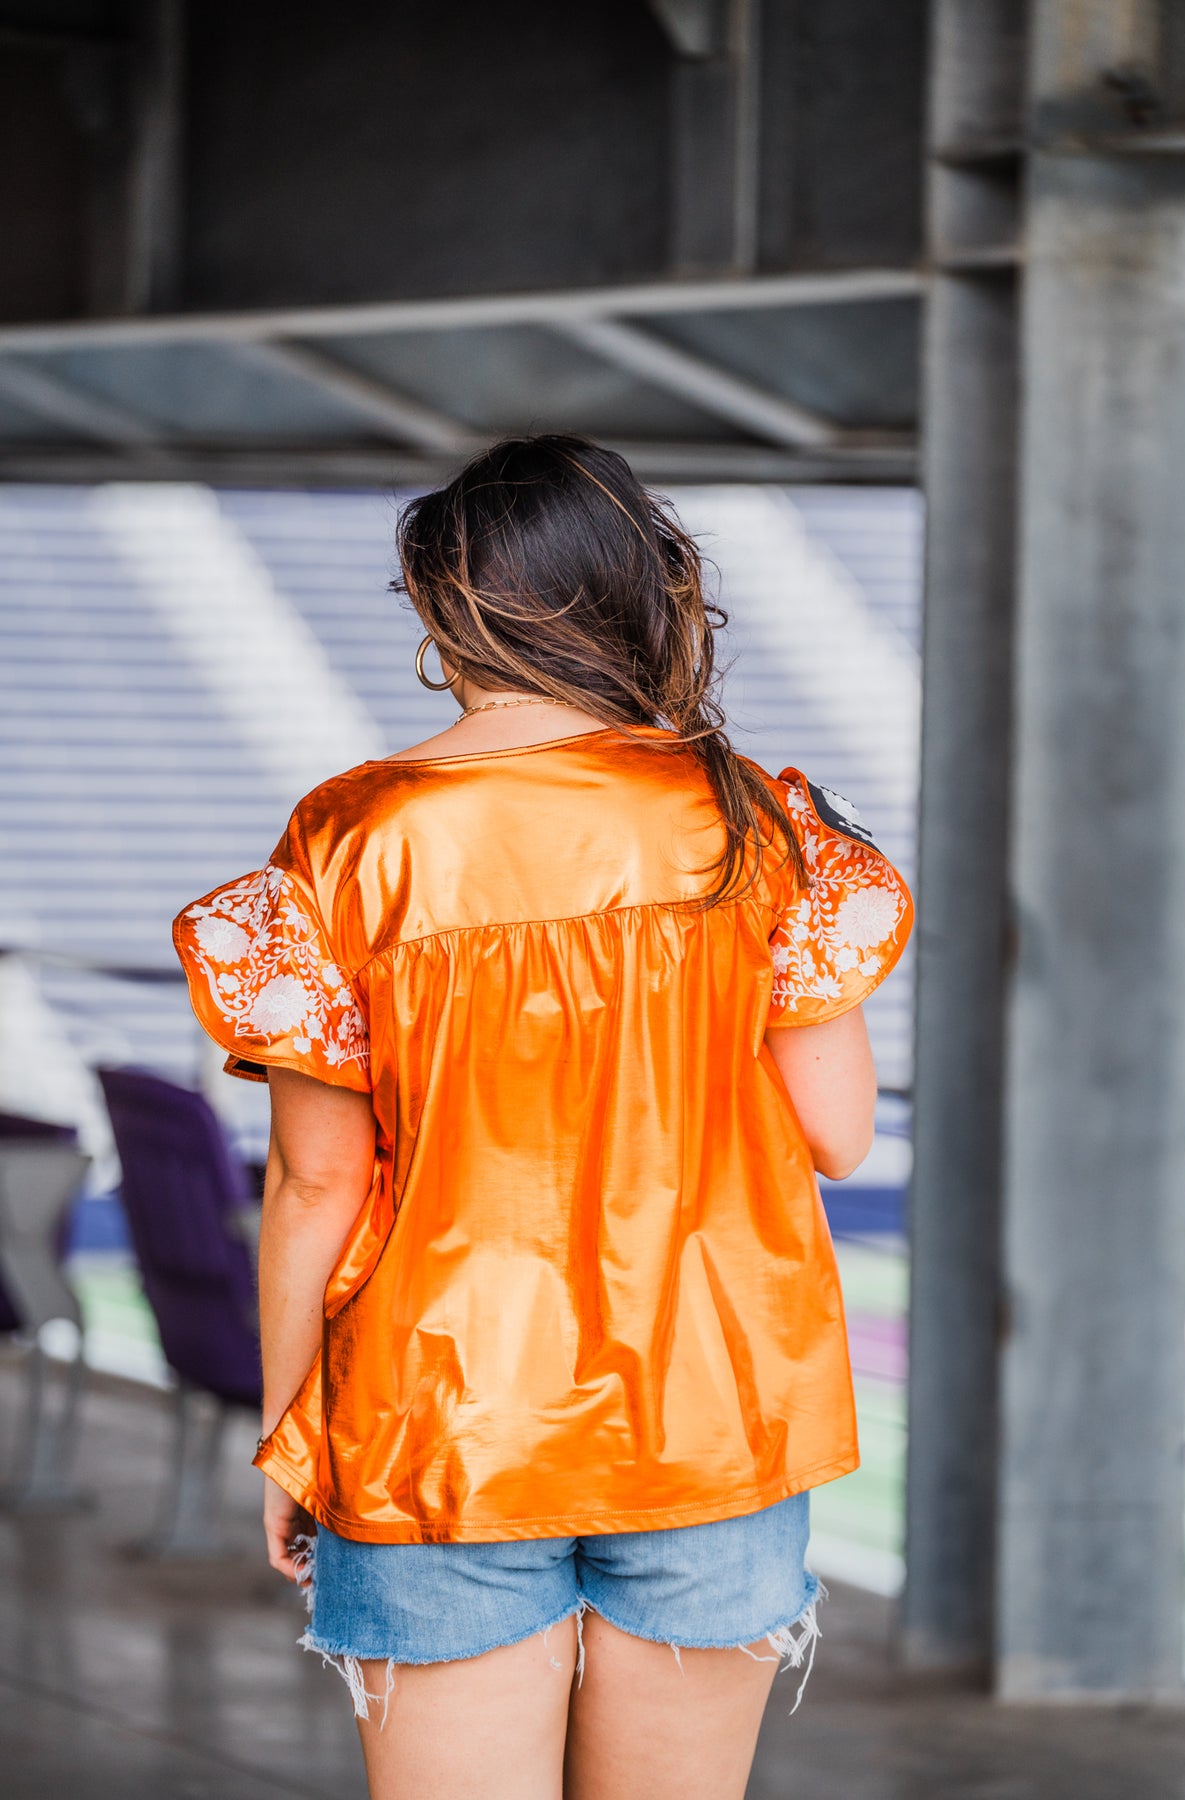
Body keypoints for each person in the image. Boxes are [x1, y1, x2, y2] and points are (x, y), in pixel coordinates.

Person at [174, 435, 912, 1800]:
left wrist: (292, 1429)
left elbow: (315, 1184)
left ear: (443, 607)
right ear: (646, 593)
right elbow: (838, 1132)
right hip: (717, 1410)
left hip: (436, 1419)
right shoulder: (756, 821)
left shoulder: (355, 839)